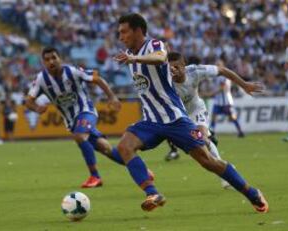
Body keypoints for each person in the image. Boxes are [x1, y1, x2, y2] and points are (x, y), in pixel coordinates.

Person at [114, 13, 268, 213]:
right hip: (151, 121)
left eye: (124, 32)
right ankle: (152, 193)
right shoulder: (129, 55)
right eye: (119, 33)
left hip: (176, 119)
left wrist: (136, 58)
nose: (120, 37)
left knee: (208, 161)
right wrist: (133, 58)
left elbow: (161, 57)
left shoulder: (153, 46)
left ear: (138, 30)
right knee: (125, 147)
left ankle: (251, 193)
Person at [26, 47, 131, 188]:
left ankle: (95, 176)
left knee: (80, 136)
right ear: (43, 62)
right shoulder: (41, 79)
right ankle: (142, 169)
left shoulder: (72, 71)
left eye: (54, 58)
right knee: (105, 149)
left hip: (86, 111)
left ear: (60, 59)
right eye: (47, 59)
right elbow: (29, 101)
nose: (51, 61)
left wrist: (112, 97)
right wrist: (37, 108)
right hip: (71, 121)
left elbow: (97, 78)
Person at [163, 52, 263, 188]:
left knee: (203, 138)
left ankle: (225, 175)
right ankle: (226, 168)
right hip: (179, 117)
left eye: (176, 67)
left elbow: (222, 70)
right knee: (201, 150)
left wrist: (244, 84)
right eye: (170, 68)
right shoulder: (164, 80)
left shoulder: (195, 71)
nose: (173, 71)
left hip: (196, 111)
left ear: (184, 65)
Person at [209, 60, 245, 138]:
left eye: (219, 65)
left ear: (222, 65)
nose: (217, 66)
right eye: (216, 65)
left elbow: (222, 87)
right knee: (214, 116)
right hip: (218, 101)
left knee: (232, 117)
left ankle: (240, 131)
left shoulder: (223, 76)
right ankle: (212, 132)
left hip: (226, 101)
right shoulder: (217, 76)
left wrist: (211, 93)